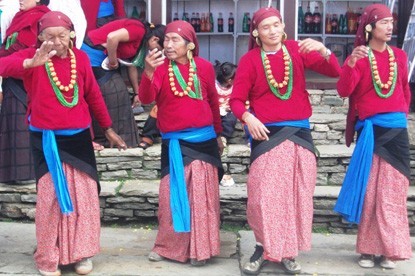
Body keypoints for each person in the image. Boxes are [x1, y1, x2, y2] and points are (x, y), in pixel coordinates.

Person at [0, 11, 126, 275]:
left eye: (62, 35)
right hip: (46, 140)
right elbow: (2, 66)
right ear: (40, 38)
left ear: (71, 35)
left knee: (85, 199)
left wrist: (109, 129)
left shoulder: (79, 58)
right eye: (50, 36)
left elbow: (93, 96)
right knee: (50, 200)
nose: (56, 42)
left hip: (79, 139)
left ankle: (82, 254)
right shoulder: (32, 58)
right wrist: (29, 64)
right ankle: (48, 255)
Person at [230, 7, 341, 275]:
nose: (272, 31)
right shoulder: (249, 60)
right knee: (262, 197)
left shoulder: (296, 50)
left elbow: (334, 71)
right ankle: (262, 247)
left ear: (283, 26)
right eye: (265, 27)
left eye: (276, 24)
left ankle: (288, 251)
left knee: (295, 196)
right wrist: (248, 118)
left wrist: (324, 51)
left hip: (299, 135)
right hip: (266, 135)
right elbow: (235, 100)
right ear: (256, 32)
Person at [139, 20, 224, 266]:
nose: (168, 44)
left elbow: (213, 103)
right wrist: (147, 72)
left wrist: (218, 134)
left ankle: (201, 249)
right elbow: (146, 98)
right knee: (169, 198)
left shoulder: (205, 68)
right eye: (166, 39)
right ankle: (169, 247)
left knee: (202, 198)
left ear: (189, 45)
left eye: (175, 40)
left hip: (204, 140)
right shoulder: (159, 68)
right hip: (174, 142)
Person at [334, 3, 412, 270]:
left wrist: (400, 118)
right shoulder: (358, 56)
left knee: (393, 191)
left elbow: (403, 91)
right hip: (371, 132)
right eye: (384, 23)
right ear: (369, 27)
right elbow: (344, 91)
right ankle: (368, 250)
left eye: (392, 22)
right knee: (371, 192)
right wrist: (352, 63)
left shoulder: (399, 56)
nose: (390, 27)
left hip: (396, 130)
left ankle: (390, 249)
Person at [81, 18, 162, 148]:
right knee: (114, 90)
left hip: (104, 61)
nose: (156, 52)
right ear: (155, 40)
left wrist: (137, 93)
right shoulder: (138, 29)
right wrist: (113, 61)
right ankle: (105, 139)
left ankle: (124, 141)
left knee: (121, 91)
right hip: (92, 56)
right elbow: (112, 38)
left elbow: (132, 65)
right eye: (159, 48)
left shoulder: (141, 45)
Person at [0, 0, 50, 184]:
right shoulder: (18, 18)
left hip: (29, 77)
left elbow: (32, 49)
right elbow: (9, 45)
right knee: (12, 125)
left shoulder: (42, 18)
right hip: (11, 73)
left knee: (24, 125)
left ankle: (27, 174)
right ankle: (10, 174)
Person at [214, 60, 238, 187]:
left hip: (228, 111)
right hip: (217, 110)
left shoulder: (234, 87)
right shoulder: (214, 86)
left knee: (231, 119)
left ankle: (223, 136)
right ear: (229, 80)